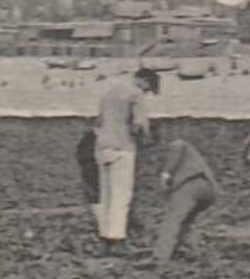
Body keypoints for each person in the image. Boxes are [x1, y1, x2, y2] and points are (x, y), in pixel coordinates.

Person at [93, 68, 159, 255]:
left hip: (102, 146)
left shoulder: (110, 91)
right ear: (144, 82)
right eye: (148, 88)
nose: (147, 92)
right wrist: (146, 139)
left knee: (106, 195)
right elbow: (139, 124)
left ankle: (105, 239)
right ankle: (118, 239)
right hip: (123, 147)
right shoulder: (135, 94)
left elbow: (98, 122)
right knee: (121, 196)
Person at [153, 135, 218, 262]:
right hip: (209, 189)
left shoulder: (176, 144)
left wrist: (166, 174)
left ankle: (160, 256)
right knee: (186, 221)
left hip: (191, 185)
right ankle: (192, 252)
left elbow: (178, 147)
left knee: (171, 221)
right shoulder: (190, 153)